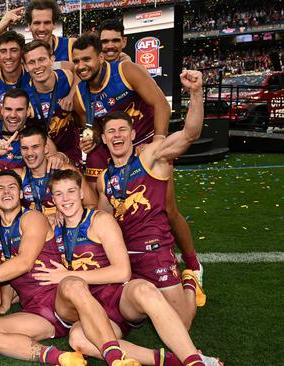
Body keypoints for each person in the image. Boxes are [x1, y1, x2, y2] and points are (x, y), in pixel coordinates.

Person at [34, 169, 220, 366]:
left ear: (81, 193)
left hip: (117, 299)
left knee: (144, 289)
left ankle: (195, 360)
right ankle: (169, 360)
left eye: (71, 191)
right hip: (88, 310)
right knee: (78, 339)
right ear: (52, 199)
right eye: (59, 194)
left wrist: (68, 274)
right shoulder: (51, 227)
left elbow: (123, 272)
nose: (65, 199)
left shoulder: (100, 220)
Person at [71, 33, 203, 280]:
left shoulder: (125, 71)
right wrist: (90, 139)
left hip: (148, 148)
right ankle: (120, 263)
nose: (81, 66)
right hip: (115, 152)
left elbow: (161, 104)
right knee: (112, 209)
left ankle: (193, 264)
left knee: (167, 208)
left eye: (86, 59)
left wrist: (157, 141)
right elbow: (94, 129)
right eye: (76, 61)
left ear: (100, 57)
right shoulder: (80, 94)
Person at [96, 71, 206, 329]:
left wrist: (196, 93)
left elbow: (189, 134)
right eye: (110, 131)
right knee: (129, 315)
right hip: (123, 258)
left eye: (122, 129)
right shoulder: (103, 178)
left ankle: (189, 281)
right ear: (103, 139)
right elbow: (102, 221)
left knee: (182, 324)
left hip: (153, 252)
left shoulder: (151, 157)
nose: (116, 135)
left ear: (133, 135)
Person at [0, 170, 86, 366]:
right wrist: (4, 304)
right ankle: (61, 358)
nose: (6, 192)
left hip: (59, 300)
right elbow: (5, 264)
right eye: (0, 188)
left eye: (12, 187)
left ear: (20, 194)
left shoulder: (33, 218)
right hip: (36, 310)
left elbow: (24, 262)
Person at [0, 125, 96, 220]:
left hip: (64, 233)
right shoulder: (18, 176)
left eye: (35, 147)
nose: (30, 153)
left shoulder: (65, 170)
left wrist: (68, 214)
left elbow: (92, 204)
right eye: (25, 148)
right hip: (33, 234)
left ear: (45, 149)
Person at [21, 40, 81, 165]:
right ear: (26, 67)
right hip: (43, 155)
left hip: (71, 150)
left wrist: (71, 95)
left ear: (52, 60)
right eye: (31, 62)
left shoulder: (67, 77)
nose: (37, 66)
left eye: (42, 59)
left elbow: (78, 71)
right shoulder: (24, 96)